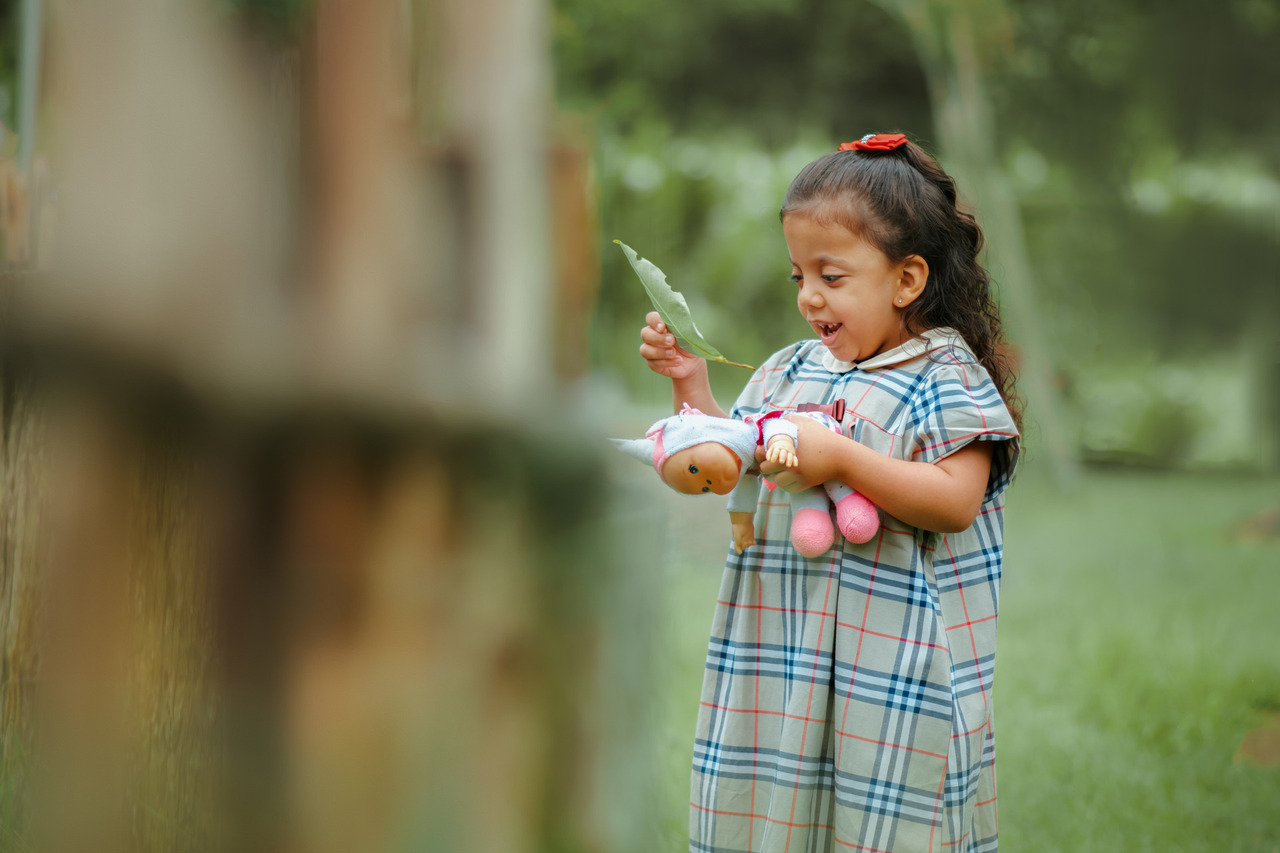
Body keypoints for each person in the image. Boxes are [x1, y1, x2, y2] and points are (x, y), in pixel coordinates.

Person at [638, 132, 1022, 853]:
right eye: (797, 277)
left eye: (832, 276)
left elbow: (955, 499)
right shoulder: (792, 369)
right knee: (785, 814)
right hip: (787, 650)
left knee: (885, 819)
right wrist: (692, 389)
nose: (810, 297)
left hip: (892, 667)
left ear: (907, 280)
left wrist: (840, 457)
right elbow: (743, 454)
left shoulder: (944, 375)